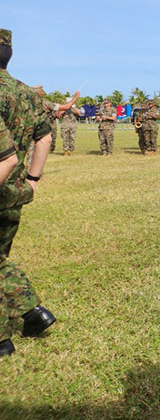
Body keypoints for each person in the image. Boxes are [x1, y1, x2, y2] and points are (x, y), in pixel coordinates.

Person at [0, 28, 71, 356]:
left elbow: (6, 155)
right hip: (15, 190)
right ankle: (32, 313)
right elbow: (44, 138)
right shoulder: (26, 93)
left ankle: (3, 340)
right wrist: (32, 179)